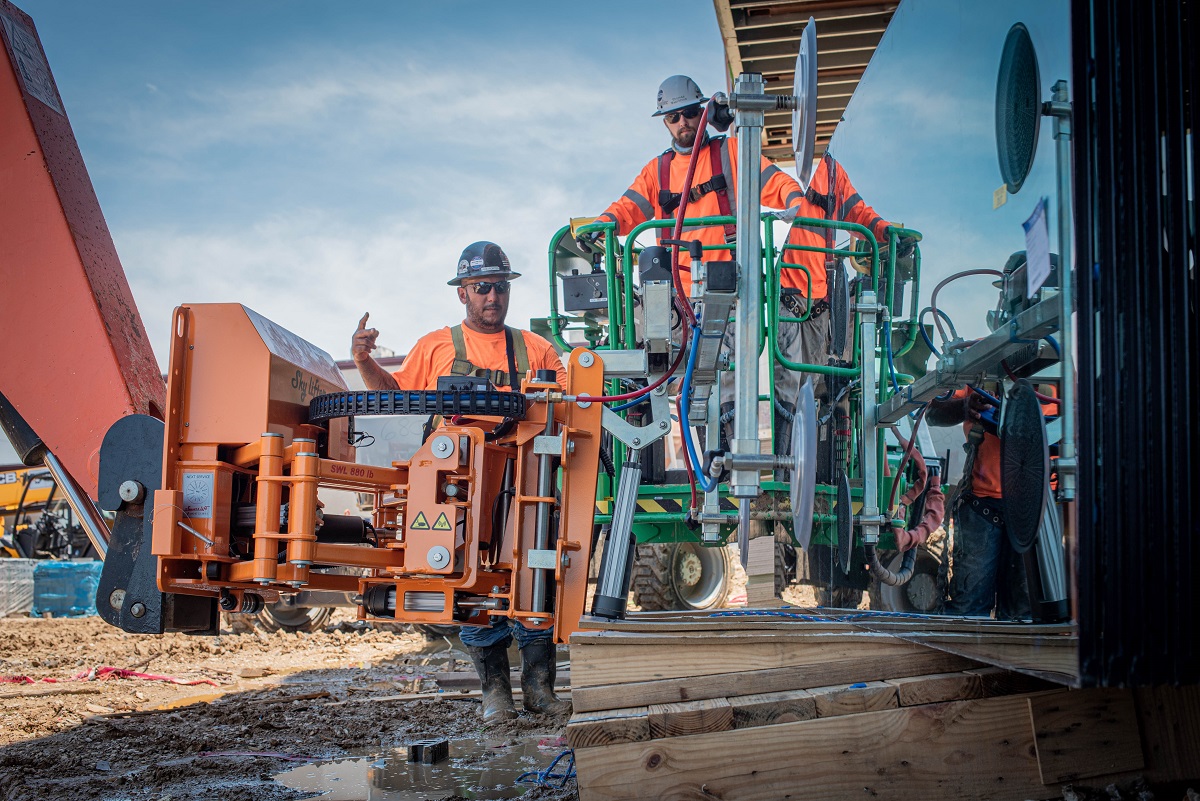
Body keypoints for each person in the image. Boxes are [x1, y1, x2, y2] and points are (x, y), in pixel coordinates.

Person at [351, 241, 570, 721]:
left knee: (532, 578)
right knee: (468, 584)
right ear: (463, 294)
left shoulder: (535, 349)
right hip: (458, 484)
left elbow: (570, 395)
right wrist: (366, 363)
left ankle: (539, 690)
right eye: (481, 288)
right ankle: (495, 694)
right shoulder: (435, 347)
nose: (492, 297)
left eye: (499, 287)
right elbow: (397, 395)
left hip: (522, 479)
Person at [927, 386, 1031, 619]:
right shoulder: (980, 357)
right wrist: (965, 407)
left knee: (1026, 614)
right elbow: (933, 412)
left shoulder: (1055, 362)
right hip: (984, 507)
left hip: (1036, 507)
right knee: (968, 611)